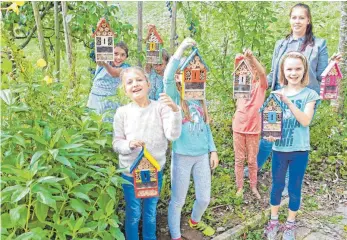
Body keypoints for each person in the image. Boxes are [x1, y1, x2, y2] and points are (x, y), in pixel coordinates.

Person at [255, 3, 330, 196]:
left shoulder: (318, 45)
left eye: (301, 17)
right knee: (268, 135)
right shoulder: (281, 44)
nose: (297, 21)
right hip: (280, 95)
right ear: (290, 19)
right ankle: (254, 168)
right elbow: (273, 73)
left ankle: (289, 185)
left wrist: (333, 68)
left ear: (308, 20)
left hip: (303, 98)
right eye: (294, 17)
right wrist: (259, 88)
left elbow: (323, 75)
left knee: (292, 139)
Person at [112, 67, 182, 240]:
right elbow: (116, 142)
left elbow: (172, 135)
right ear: (124, 89)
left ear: (148, 83)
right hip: (129, 173)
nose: (135, 84)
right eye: (129, 82)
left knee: (150, 212)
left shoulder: (160, 109)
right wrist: (129, 144)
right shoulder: (122, 113)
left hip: (153, 171)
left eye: (139, 80)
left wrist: (175, 110)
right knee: (134, 212)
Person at [164, 38, 219, 240]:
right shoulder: (175, 96)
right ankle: (176, 235)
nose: (192, 78)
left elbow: (205, 128)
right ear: (180, 77)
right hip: (182, 157)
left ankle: (194, 221)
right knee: (178, 200)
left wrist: (212, 150)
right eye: (186, 74)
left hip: (201, 156)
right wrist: (181, 48)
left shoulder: (199, 98)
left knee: (204, 198)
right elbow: (167, 78)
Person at [264, 52, 320, 240]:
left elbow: (305, 121)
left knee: (295, 188)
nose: (293, 73)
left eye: (297, 68)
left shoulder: (310, 95)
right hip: (279, 150)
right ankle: (273, 220)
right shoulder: (276, 94)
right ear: (283, 71)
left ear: (304, 70)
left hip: (299, 151)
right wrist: (269, 134)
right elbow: (269, 120)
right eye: (289, 69)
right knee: (277, 186)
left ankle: (289, 224)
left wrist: (287, 101)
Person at [232, 49, 267, 199]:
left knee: (252, 160)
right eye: (249, 68)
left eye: (253, 68)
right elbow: (238, 70)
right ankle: (239, 187)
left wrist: (252, 59)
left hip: (253, 129)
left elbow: (263, 74)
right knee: (239, 159)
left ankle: (253, 186)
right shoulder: (241, 84)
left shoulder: (261, 86)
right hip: (238, 127)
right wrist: (239, 60)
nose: (251, 71)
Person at [87, 42, 130, 122]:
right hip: (95, 98)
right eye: (115, 54)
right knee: (92, 123)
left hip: (110, 101)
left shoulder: (125, 68)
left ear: (126, 57)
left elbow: (114, 73)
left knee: (108, 125)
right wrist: (101, 60)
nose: (118, 57)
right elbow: (100, 56)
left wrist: (105, 64)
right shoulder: (103, 62)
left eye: (122, 55)